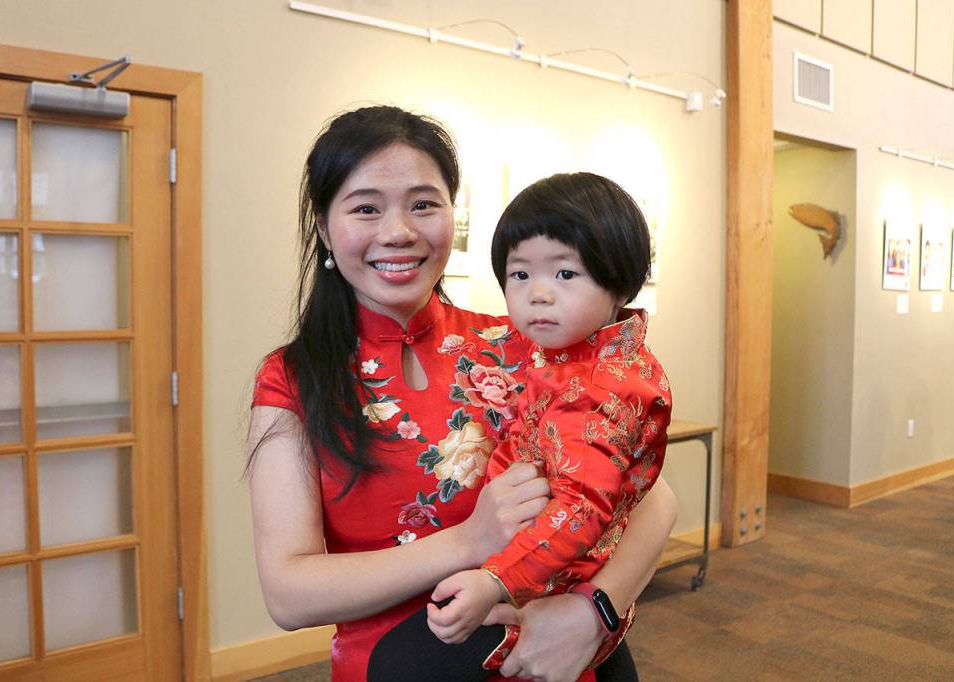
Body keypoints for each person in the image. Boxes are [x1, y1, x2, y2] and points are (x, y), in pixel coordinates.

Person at [248, 106, 678, 681]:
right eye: (366, 208)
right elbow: (288, 593)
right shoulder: (293, 378)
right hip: (408, 666)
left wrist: (592, 612)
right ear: (325, 227)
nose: (399, 231)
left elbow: (652, 500)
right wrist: (469, 541)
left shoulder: (525, 345)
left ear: (454, 213)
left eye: (424, 204)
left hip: (562, 653)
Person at [423, 172, 671, 679]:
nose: (538, 294)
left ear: (619, 281)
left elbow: (584, 507)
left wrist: (496, 580)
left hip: (548, 586)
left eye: (564, 274)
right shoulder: (567, 354)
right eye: (519, 275)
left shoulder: (598, 388)